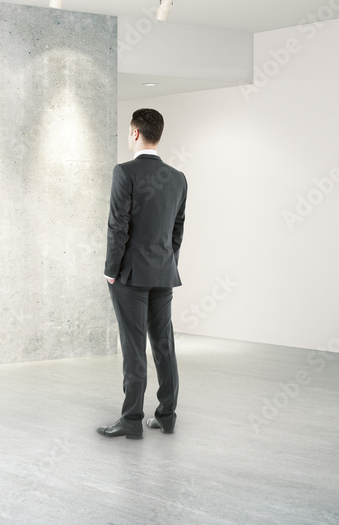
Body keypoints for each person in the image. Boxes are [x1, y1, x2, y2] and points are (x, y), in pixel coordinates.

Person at [97, 108, 187, 439]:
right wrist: (167, 262)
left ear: (135, 133)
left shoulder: (125, 172)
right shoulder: (178, 178)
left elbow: (117, 225)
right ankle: (167, 415)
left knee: (134, 346)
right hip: (164, 273)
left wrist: (111, 269)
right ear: (158, 134)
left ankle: (132, 420)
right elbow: (178, 230)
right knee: (164, 344)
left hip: (130, 275)